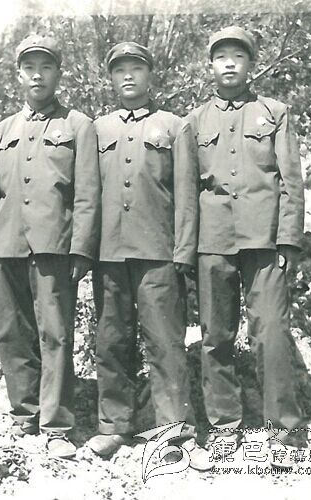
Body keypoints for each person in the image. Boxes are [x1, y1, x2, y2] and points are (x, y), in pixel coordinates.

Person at [0, 34, 100, 459]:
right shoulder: (2, 130)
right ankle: (24, 414)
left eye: (45, 67)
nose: (37, 75)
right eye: (29, 68)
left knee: (55, 334)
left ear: (58, 73)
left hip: (53, 246)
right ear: (18, 75)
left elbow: (88, 194)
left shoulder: (78, 125)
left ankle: (57, 424)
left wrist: (81, 249)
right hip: (6, 244)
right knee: (12, 333)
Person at [185, 26, 307, 470]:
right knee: (216, 336)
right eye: (222, 57)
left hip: (264, 241)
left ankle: (284, 430)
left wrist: (289, 239)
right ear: (210, 66)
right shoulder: (194, 122)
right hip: (213, 241)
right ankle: (224, 427)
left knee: (271, 331)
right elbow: (186, 191)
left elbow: (291, 181)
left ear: (252, 64)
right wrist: (187, 249)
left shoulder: (274, 113)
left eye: (238, 56)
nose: (230, 64)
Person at [86, 42, 198, 456]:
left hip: (158, 253)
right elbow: (87, 194)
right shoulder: (98, 129)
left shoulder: (174, 126)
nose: (128, 76)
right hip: (109, 253)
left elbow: (186, 195)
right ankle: (115, 425)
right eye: (120, 70)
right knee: (111, 341)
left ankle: (175, 432)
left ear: (151, 75)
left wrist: (183, 251)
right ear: (111, 79)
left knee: (165, 343)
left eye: (136, 68)